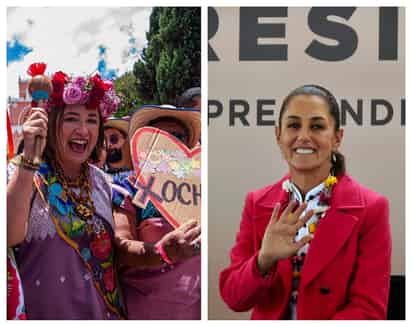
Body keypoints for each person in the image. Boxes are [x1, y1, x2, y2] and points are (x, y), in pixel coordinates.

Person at [219, 85, 392, 320]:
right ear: (278, 135)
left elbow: (368, 311)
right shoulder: (257, 202)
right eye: (293, 126)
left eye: (317, 127)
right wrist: (264, 259)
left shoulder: (371, 208)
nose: (303, 136)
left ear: (337, 137)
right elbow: (234, 299)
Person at [7, 69, 126, 319]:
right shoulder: (24, 171)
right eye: (72, 119)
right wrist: (30, 161)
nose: (83, 130)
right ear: (51, 124)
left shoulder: (103, 182)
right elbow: (7, 234)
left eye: (92, 120)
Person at [111, 105, 202, 319]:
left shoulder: (203, 188)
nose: (169, 143)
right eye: (159, 136)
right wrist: (163, 252)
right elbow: (120, 247)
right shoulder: (128, 187)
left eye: (177, 136)